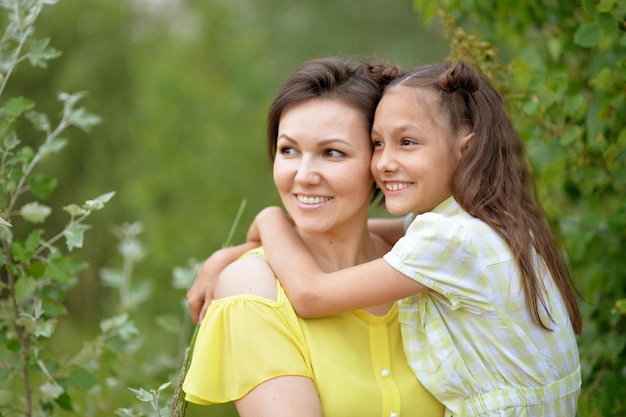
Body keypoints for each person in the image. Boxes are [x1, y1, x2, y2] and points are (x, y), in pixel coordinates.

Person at [247, 61, 582, 417]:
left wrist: (269, 220)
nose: (385, 163)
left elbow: (311, 295)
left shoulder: (448, 238)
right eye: (378, 143)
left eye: (407, 142)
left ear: (465, 150)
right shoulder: (485, 219)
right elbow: (373, 231)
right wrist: (237, 255)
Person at [182, 57, 445, 417]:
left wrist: (268, 222)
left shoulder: (416, 263)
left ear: (380, 160)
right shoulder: (252, 287)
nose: (303, 175)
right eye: (288, 150)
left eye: (331, 153)